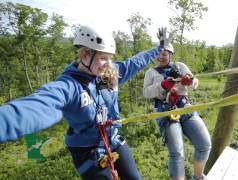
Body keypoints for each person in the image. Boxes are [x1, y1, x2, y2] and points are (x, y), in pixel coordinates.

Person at [0, 25, 172, 180]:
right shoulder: (69, 86)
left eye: (110, 58)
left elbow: (136, 61)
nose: (108, 64)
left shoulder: (110, 74)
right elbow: (39, 105)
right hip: (86, 151)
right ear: (84, 55)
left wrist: (160, 48)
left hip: (112, 140)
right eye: (103, 58)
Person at [143, 44, 212, 180]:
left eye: (164, 54)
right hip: (165, 110)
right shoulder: (151, 73)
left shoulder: (180, 66)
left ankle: (198, 177)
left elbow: (196, 82)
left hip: (185, 107)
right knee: (177, 153)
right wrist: (161, 85)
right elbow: (146, 93)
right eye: (158, 54)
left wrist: (190, 81)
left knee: (204, 144)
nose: (161, 57)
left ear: (170, 55)